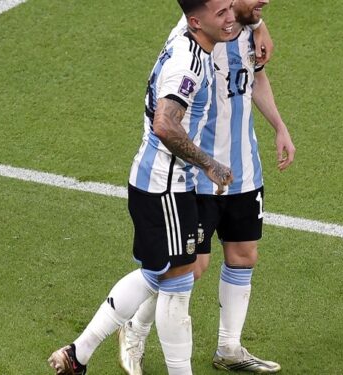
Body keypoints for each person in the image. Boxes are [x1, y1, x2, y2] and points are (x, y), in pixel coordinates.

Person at [47, 1, 236, 374]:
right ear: (196, 21)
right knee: (176, 287)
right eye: (222, 13)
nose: (230, 17)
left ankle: (76, 355)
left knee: (157, 275)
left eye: (231, 6)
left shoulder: (187, 36)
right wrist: (210, 165)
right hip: (164, 187)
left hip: (165, 184)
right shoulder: (188, 64)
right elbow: (165, 124)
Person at [118, 0, 295, 373]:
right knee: (187, 268)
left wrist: (279, 126)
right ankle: (135, 328)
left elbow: (255, 76)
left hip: (244, 168)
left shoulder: (246, 25)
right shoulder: (196, 37)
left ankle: (229, 348)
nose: (262, 3)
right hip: (201, 174)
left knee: (244, 254)